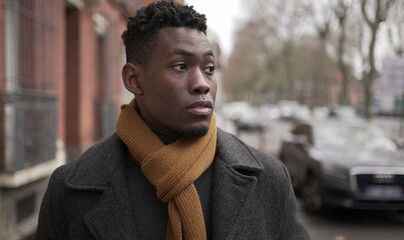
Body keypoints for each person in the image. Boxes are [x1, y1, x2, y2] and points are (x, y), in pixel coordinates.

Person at [34, 1, 309, 239]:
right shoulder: (68, 191)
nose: (202, 84)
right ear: (134, 79)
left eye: (209, 68)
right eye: (181, 66)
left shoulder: (270, 179)